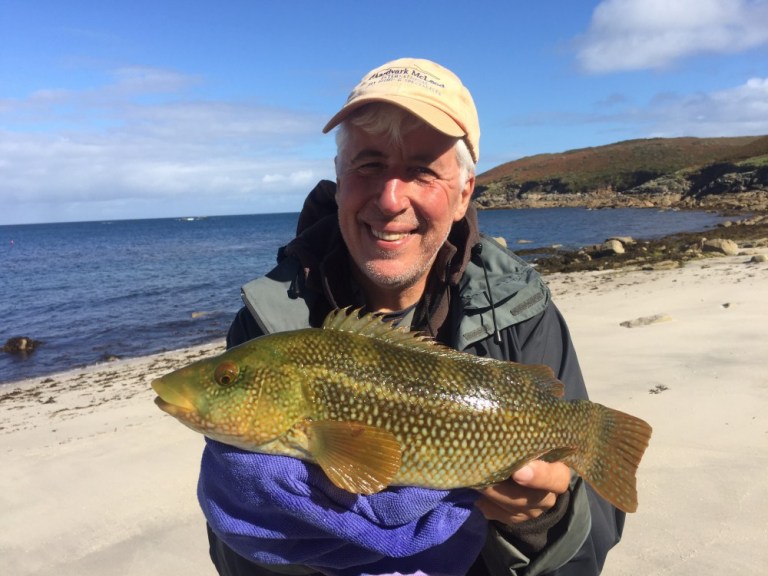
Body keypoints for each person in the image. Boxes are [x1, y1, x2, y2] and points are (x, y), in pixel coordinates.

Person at [199, 57, 624, 576]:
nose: (390, 199)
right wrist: (261, 526)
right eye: (369, 165)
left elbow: (590, 546)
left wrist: (542, 520)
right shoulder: (267, 326)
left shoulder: (521, 314)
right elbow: (237, 560)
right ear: (340, 178)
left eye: (422, 170)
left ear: (464, 193)